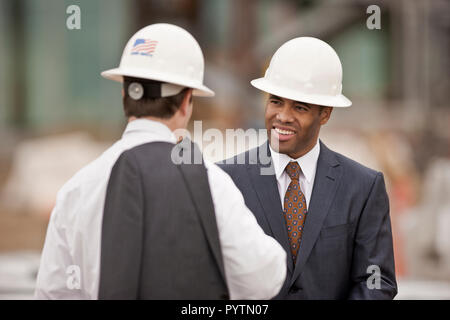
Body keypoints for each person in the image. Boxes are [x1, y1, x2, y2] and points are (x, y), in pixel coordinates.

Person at [35, 23, 286, 300]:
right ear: (186, 101)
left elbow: (53, 293)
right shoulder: (209, 184)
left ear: (124, 95)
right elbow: (263, 280)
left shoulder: (77, 190)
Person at [218, 37, 397, 299]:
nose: (283, 116)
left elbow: (376, 282)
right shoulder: (225, 180)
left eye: (299, 107)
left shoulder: (363, 187)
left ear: (325, 113)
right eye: (276, 101)